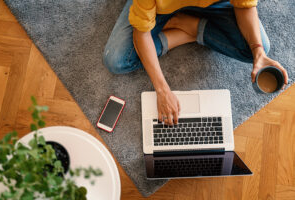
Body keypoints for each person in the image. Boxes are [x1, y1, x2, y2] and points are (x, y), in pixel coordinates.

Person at [103, 0, 288, 126]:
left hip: (215, 4)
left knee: (259, 47)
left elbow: (244, 5)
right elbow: (141, 32)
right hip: (160, 7)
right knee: (117, 60)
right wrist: (162, 89)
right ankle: (190, 28)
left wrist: (258, 52)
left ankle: (190, 25)